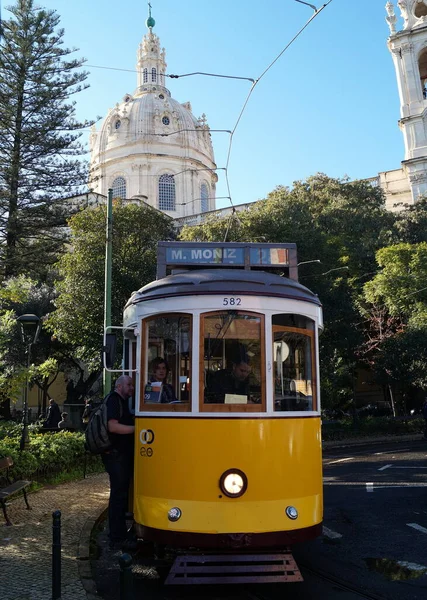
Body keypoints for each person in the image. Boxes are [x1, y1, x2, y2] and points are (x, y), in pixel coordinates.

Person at [102, 375, 135, 549]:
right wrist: (138, 429)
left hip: (119, 455)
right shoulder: (114, 400)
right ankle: (116, 536)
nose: (132, 388)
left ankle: (119, 533)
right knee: (118, 495)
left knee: (120, 494)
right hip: (115, 455)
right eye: (129, 385)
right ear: (119, 386)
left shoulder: (121, 401)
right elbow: (113, 426)